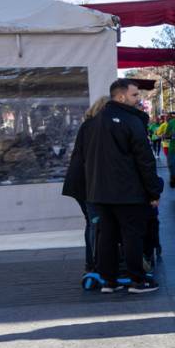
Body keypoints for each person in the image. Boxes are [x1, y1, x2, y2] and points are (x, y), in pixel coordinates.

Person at [82, 79, 163, 293]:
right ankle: (137, 279)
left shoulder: (94, 122)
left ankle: (109, 281)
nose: (139, 99)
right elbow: (144, 159)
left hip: (99, 192)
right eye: (135, 95)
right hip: (127, 191)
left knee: (106, 236)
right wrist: (153, 190)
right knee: (131, 235)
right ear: (121, 97)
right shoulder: (131, 120)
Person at [62, 96, 110, 274]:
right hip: (87, 182)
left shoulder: (87, 126)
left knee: (91, 222)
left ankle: (92, 263)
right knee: (94, 222)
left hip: (81, 182)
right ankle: (93, 264)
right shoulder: (95, 127)